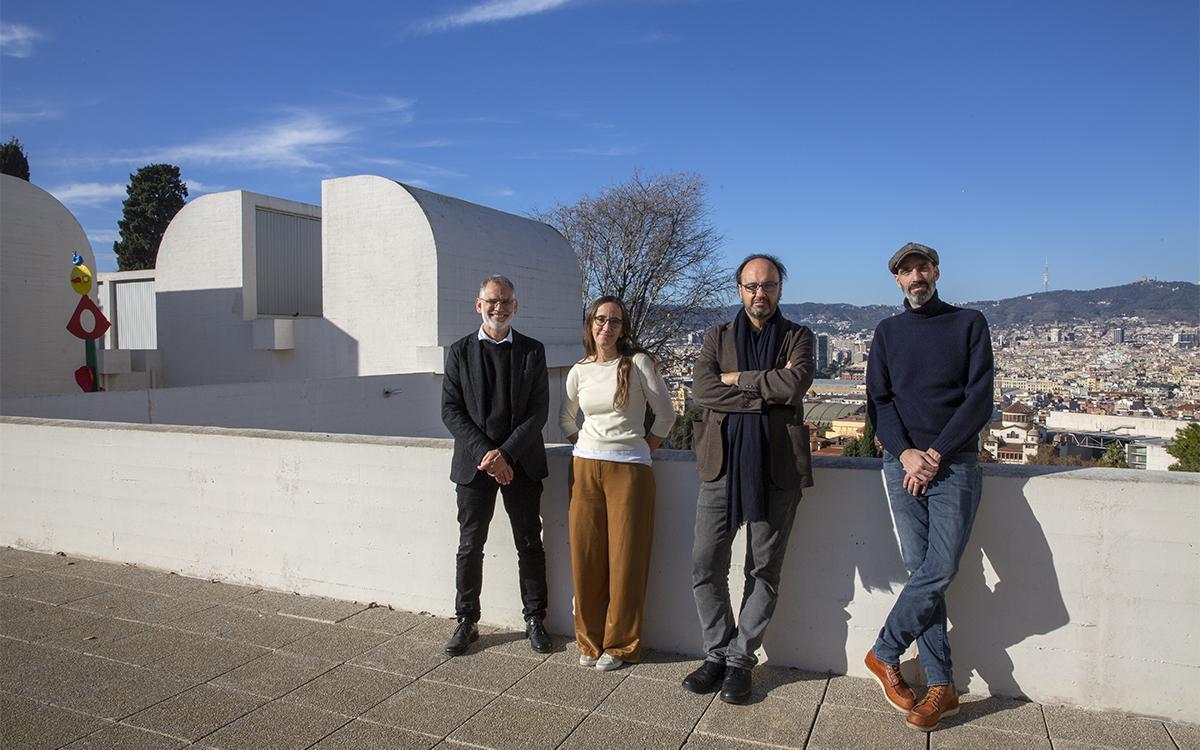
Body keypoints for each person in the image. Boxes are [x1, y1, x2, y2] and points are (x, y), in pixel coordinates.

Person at [863, 242, 995, 731]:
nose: (916, 276)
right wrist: (906, 455)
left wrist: (935, 454)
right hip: (902, 466)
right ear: (897, 280)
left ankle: (884, 651)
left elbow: (979, 399)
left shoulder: (968, 323)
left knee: (938, 568)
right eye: (906, 270)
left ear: (936, 271)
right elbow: (879, 402)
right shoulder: (887, 332)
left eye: (922, 267)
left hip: (953, 463)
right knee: (924, 572)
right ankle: (943, 687)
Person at [682, 254, 815, 703]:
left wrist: (737, 381)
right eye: (752, 285)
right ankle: (716, 651)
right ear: (738, 289)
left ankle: (740, 660)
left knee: (763, 569)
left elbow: (794, 386)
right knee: (705, 564)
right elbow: (702, 390)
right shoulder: (715, 336)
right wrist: (763, 393)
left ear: (781, 288)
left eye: (769, 285)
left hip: (777, 469)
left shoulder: (799, 336)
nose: (761, 293)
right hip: (720, 465)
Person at [559, 296, 675, 671]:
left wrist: (642, 447)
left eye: (614, 321)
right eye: (600, 319)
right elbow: (565, 417)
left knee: (626, 559)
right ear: (589, 323)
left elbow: (666, 415)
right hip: (585, 468)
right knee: (586, 557)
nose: (605, 327)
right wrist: (584, 442)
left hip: (629, 471)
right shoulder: (579, 370)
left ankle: (622, 644)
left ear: (623, 329)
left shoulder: (638, 364)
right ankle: (589, 641)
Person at [441, 275, 551, 656]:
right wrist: (490, 457)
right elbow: (451, 411)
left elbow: (539, 412)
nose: (498, 307)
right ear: (479, 304)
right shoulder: (457, 352)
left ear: (515, 307)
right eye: (492, 301)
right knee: (470, 545)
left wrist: (506, 455)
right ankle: (466, 620)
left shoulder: (533, 352)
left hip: (522, 464)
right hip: (476, 467)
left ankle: (535, 618)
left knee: (529, 544)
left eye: (505, 302)